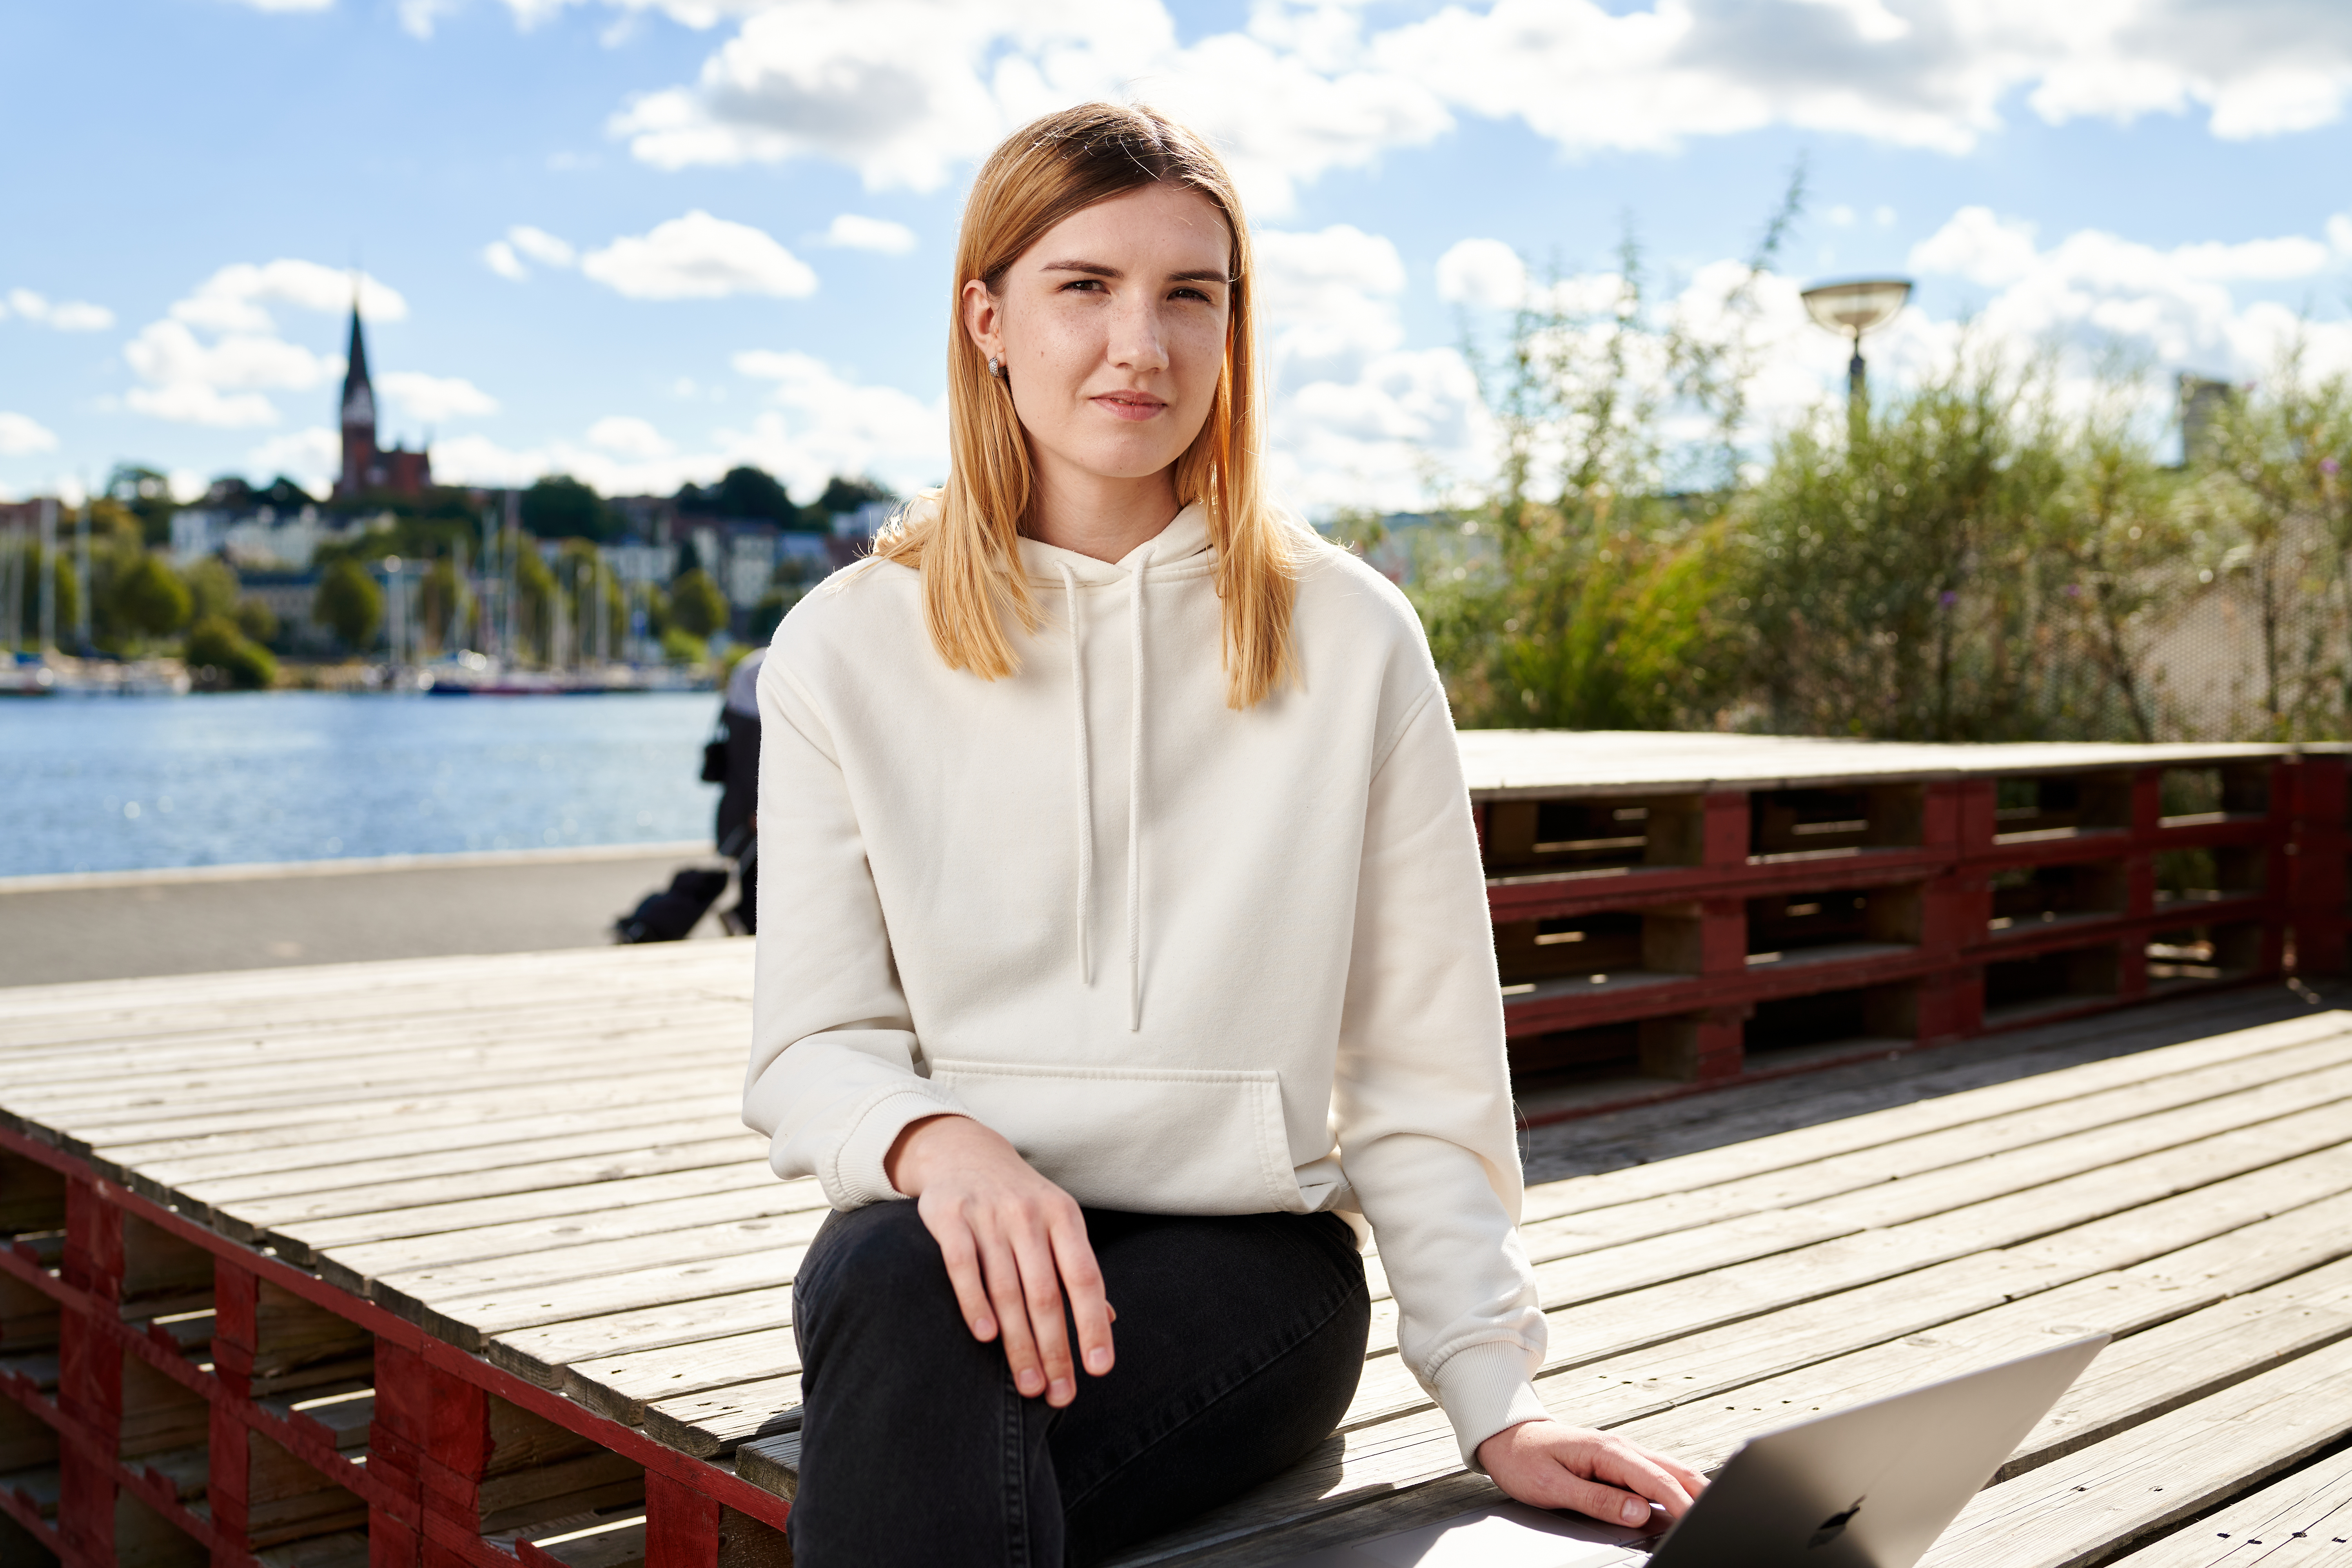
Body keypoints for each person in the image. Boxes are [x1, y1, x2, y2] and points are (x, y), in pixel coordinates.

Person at [744, 103, 1705, 1566]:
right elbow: (810, 1045)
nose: (1143, 344)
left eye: (1190, 294)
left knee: (924, 1450)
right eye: (1085, 287)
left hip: (1249, 1269)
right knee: (895, 1278)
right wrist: (939, 1140)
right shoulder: (843, 647)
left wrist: (1494, 1396)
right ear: (986, 316)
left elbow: (1420, 1059)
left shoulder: (1349, 633)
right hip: (947, 1240)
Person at [713, 645, 763, 935]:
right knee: (756, 864)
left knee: (752, 863)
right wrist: (758, 809)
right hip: (750, 809)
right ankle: (743, 919)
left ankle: (743, 918)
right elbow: (753, 772)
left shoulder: (737, 711)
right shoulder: (753, 728)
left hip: (739, 804)